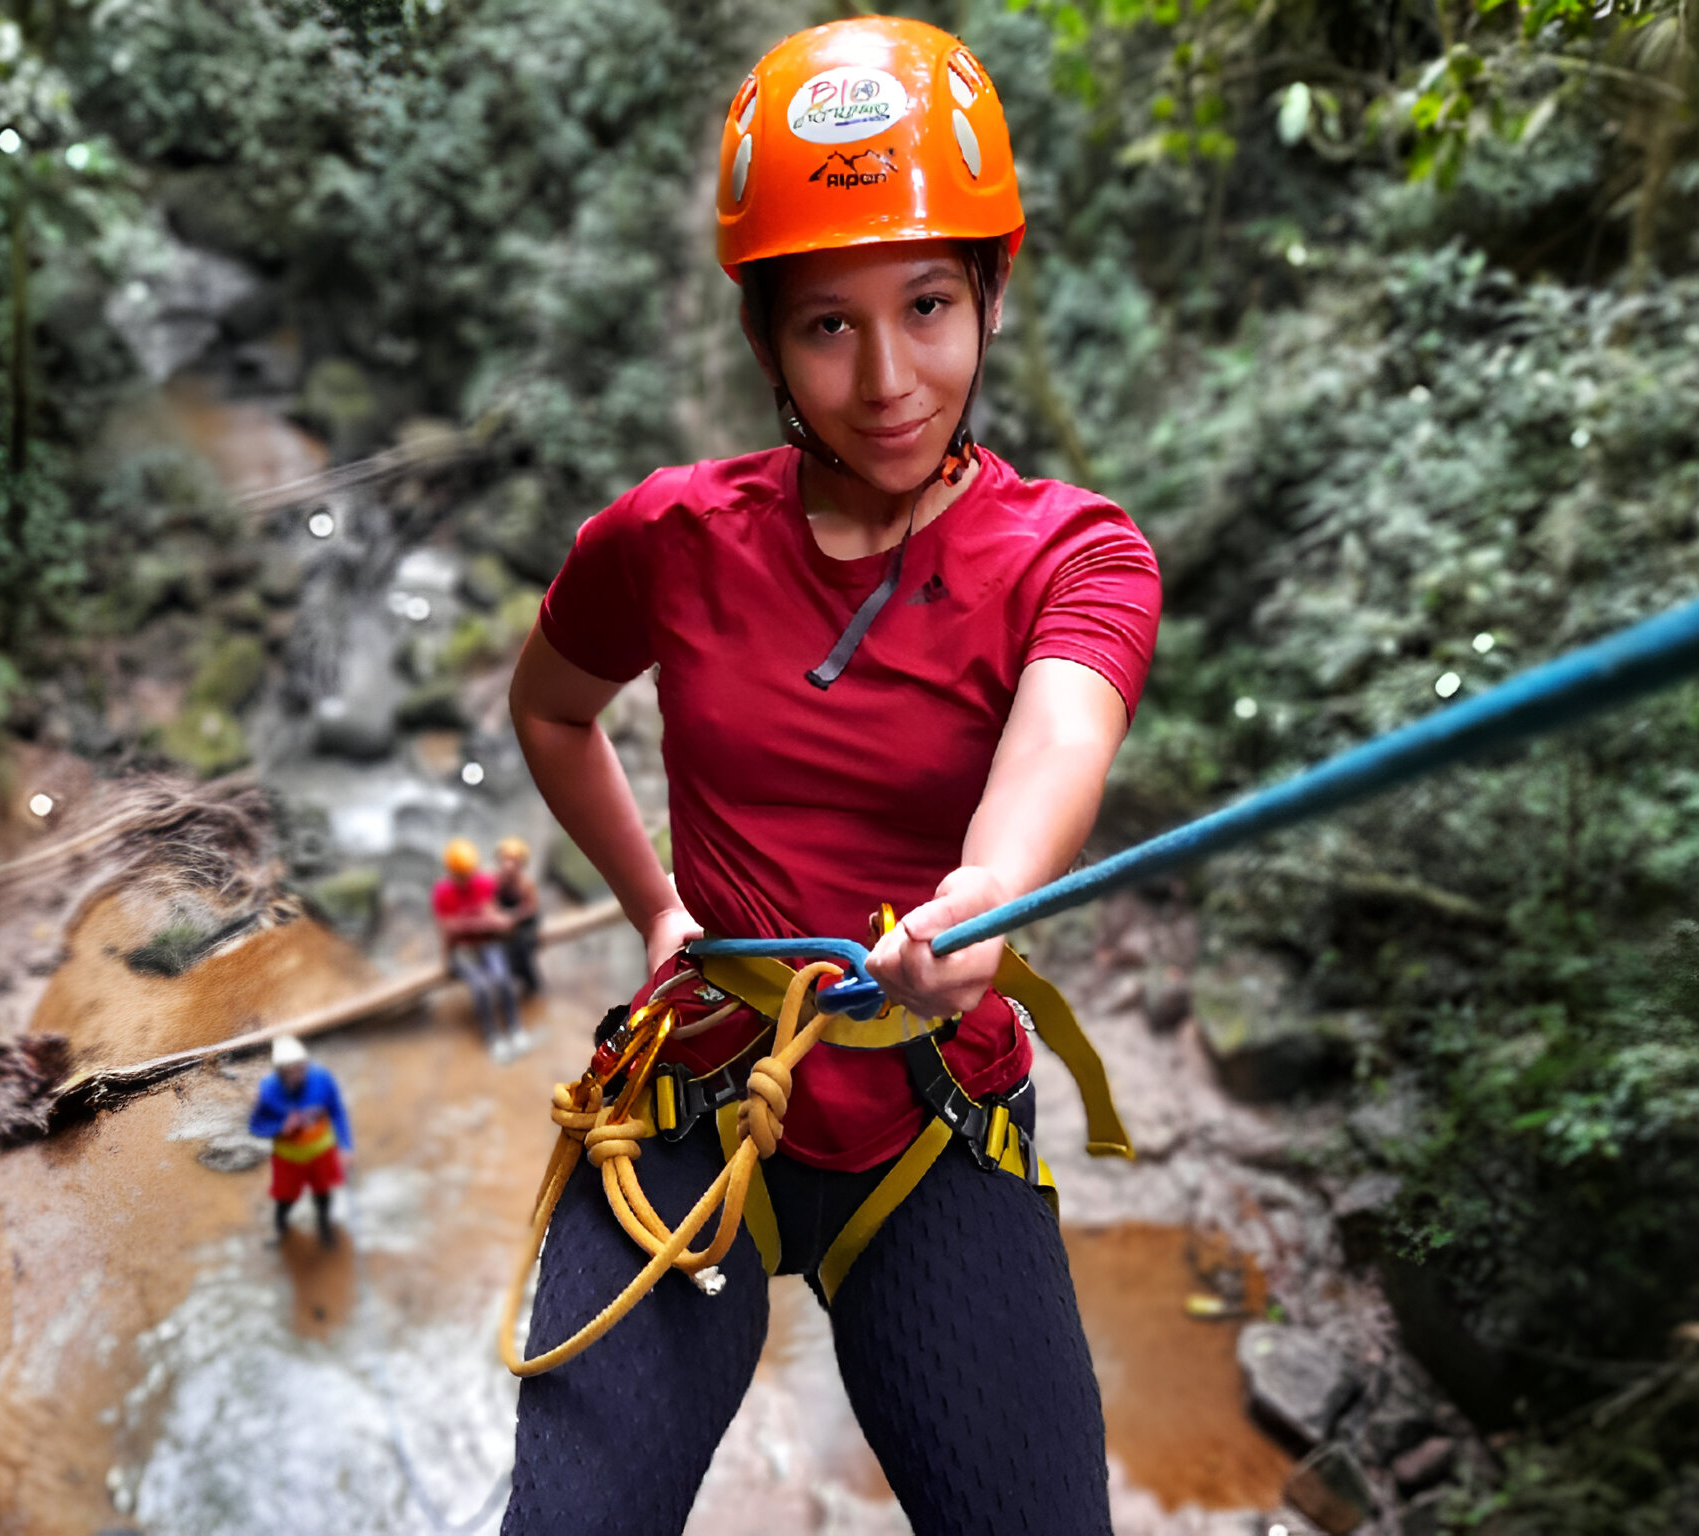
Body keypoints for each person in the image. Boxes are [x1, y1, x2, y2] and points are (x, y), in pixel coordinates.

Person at [501, 18, 1160, 1534]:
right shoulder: (667, 542)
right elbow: (553, 711)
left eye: (928, 303)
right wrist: (654, 906)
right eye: (827, 324)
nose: (885, 379)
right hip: (694, 1085)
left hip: (930, 1118)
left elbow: (1062, 737)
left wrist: (984, 901)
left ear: (990, 289)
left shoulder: (1076, 554)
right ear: (767, 340)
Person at [249, 1035, 352, 1247]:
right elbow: (255, 1126)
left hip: (321, 1154)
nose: (296, 1075)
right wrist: (280, 1126)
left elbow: (337, 1112)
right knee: (284, 1199)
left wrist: (345, 1146)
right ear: (279, 1071)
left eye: (300, 1068)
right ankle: (281, 1230)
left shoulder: (322, 1079)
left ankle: (325, 1231)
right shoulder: (268, 1090)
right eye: (289, 1071)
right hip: (289, 1160)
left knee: (323, 1195)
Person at [432, 837, 527, 1059]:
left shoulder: (483, 883)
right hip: (462, 949)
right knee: (481, 987)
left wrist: (478, 923)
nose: (466, 878)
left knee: (503, 978)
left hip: (485, 941)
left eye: (468, 873)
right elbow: (448, 930)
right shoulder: (442, 892)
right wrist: (480, 923)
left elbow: (492, 916)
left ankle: (515, 1028)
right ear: (452, 873)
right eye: (461, 874)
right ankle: (492, 1036)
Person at [494, 836, 543, 999]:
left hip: (525, 922)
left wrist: (513, 918)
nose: (509, 866)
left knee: (522, 948)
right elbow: (491, 901)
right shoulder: (496, 880)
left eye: (514, 861)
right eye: (506, 860)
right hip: (505, 920)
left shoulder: (526, 884)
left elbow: (531, 907)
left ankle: (532, 984)